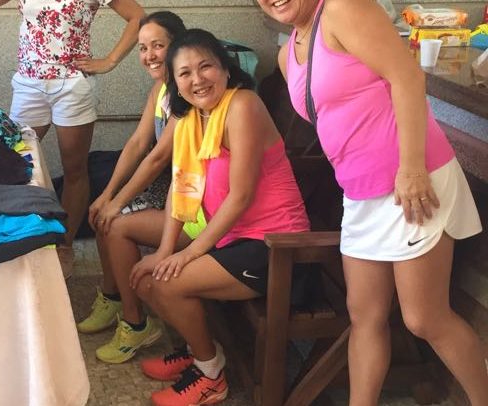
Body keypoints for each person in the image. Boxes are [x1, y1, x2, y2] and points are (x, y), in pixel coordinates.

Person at [255, 0, 488, 403]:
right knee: (365, 317)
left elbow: (407, 77)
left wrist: (411, 168)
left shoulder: (343, 9)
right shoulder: (287, 53)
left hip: (411, 184)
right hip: (360, 195)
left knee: (424, 318)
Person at [123, 28, 310, 405]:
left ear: (225, 69)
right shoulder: (192, 117)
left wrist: (187, 254)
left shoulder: (243, 105)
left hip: (276, 247)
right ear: (175, 83)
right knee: (146, 277)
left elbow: (240, 197)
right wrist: (165, 251)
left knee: (166, 283)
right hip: (232, 241)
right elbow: (182, 188)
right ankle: (198, 352)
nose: (197, 79)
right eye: (185, 73)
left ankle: (210, 375)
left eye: (205, 66)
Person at [0, 0, 145, 279]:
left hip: (73, 86)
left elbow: (137, 17)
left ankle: (65, 244)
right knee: (12, 163)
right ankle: (18, 237)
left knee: (74, 169)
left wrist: (110, 61)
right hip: (29, 83)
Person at [76, 11, 193, 361]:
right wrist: (107, 194)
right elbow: (138, 143)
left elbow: (158, 157)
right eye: (143, 48)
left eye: (158, 45)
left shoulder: (187, 90)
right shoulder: (161, 88)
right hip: (170, 186)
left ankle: (136, 322)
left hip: (188, 196)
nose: (149, 55)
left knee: (114, 222)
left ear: (177, 45)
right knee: (100, 212)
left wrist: (117, 203)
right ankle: (113, 297)